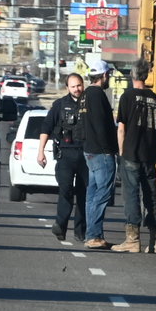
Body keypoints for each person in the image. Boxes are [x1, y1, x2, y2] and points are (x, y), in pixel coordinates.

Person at [112, 65, 156, 253]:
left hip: (131, 153)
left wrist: (121, 151)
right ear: (146, 75)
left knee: (131, 195)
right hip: (149, 154)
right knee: (151, 196)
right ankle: (154, 240)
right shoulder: (155, 99)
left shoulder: (127, 97)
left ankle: (132, 240)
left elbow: (121, 128)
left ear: (132, 75)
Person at [36, 73, 88, 242]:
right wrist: (40, 151)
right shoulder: (59, 105)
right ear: (67, 88)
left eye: (79, 85)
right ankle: (61, 225)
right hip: (65, 154)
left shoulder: (89, 104)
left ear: (83, 85)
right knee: (65, 190)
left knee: (84, 193)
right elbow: (46, 127)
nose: (77, 89)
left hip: (86, 155)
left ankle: (80, 231)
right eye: (73, 86)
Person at [79, 62, 120, 249]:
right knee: (102, 194)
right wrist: (110, 149)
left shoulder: (85, 95)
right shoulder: (98, 95)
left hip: (90, 151)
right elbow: (102, 126)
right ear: (103, 75)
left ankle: (93, 235)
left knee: (92, 194)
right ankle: (93, 235)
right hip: (101, 152)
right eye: (108, 75)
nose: (109, 78)